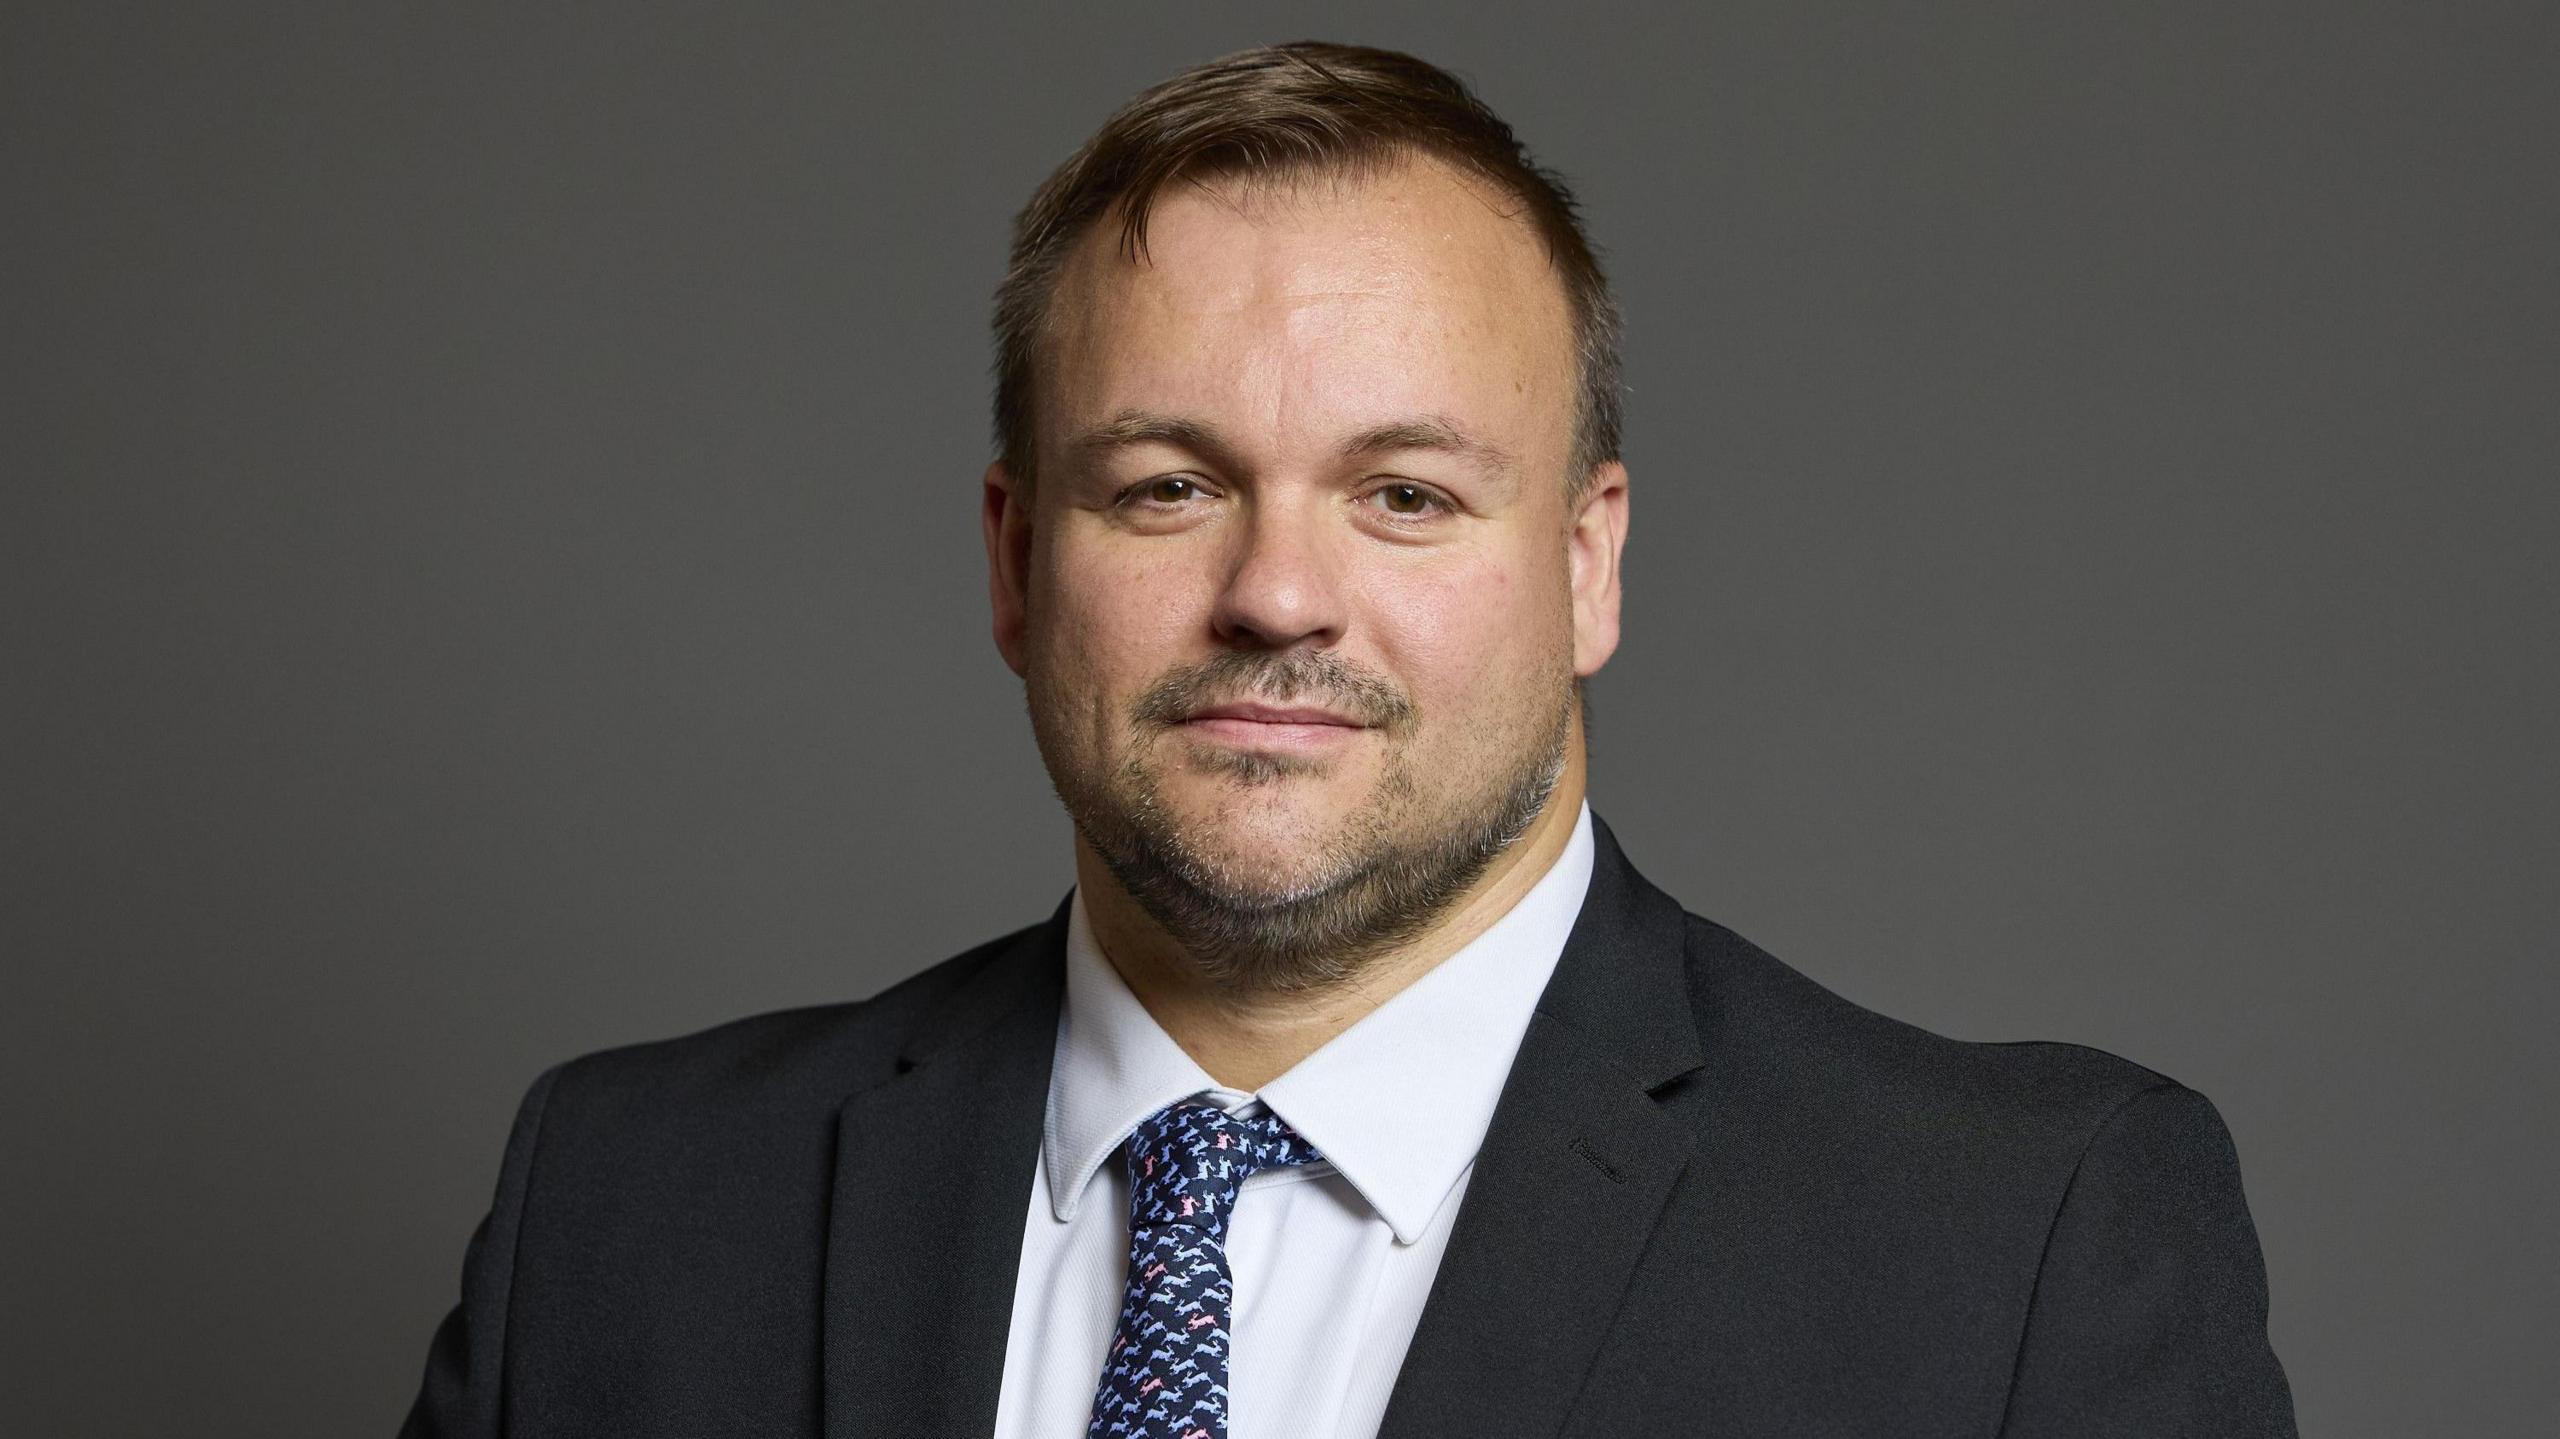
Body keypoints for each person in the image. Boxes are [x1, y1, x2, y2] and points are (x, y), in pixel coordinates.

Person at [400, 40, 2295, 1439]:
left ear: (1584, 565)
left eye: (1402, 494)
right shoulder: (630, 1208)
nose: (1278, 594)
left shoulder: (2018, 1246)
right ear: (1012, 560)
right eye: (1163, 488)